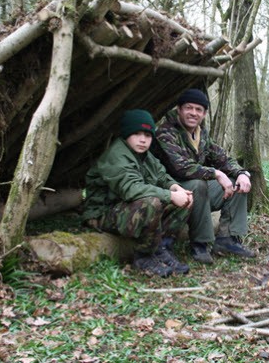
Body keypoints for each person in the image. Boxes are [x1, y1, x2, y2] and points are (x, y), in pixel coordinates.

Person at [82, 109, 193, 277]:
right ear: (126, 134)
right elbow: (131, 189)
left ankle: (162, 247)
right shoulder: (117, 154)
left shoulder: (145, 155)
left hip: (126, 208)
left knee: (185, 199)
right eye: (137, 134)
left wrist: (176, 188)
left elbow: (162, 176)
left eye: (148, 135)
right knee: (152, 202)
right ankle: (144, 257)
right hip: (104, 214)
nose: (143, 140)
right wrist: (170, 196)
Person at [153, 88, 256, 264]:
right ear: (179, 109)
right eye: (189, 108)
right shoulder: (166, 132)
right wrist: (215, 173)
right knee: (199, 184)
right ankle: (200, 244)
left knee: (235, 183)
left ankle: (227, 239)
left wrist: (242, 173)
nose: (193, 113)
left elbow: (222, 158)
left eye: (198, 110)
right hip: (169, 190)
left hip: (195, 188)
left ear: (204, 113)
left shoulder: (201, 134)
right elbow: (180, 168)